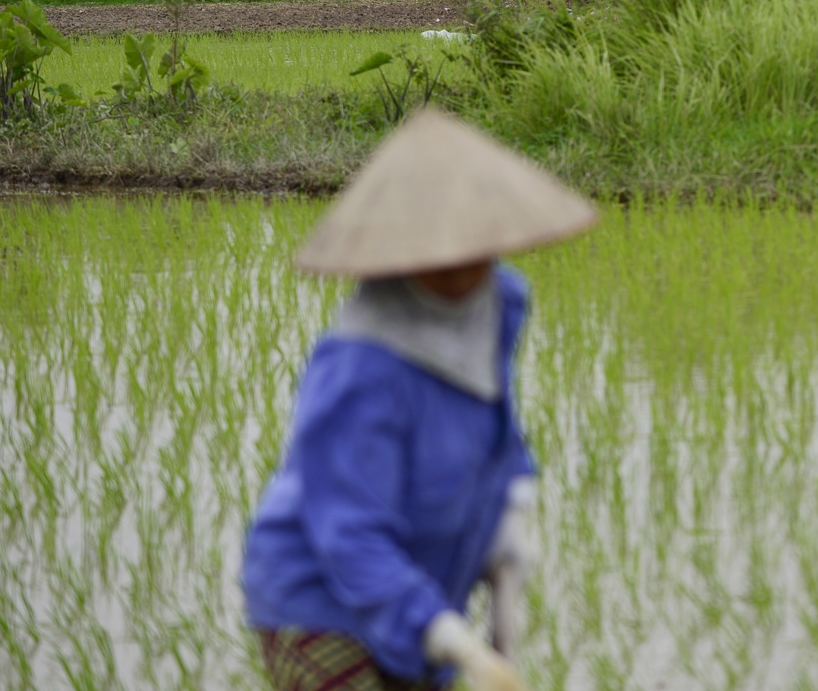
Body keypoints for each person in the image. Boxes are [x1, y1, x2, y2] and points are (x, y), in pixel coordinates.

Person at [241, 108, 597, 691]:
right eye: (436, 247)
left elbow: (494, 428)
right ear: (399, 247)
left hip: (426, 580)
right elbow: (348, 532)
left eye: (471, 241)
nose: (458, 262)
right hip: (319, 604)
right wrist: (449, 637)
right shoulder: (361, 364)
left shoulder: (500, 301)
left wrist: (510, 519)